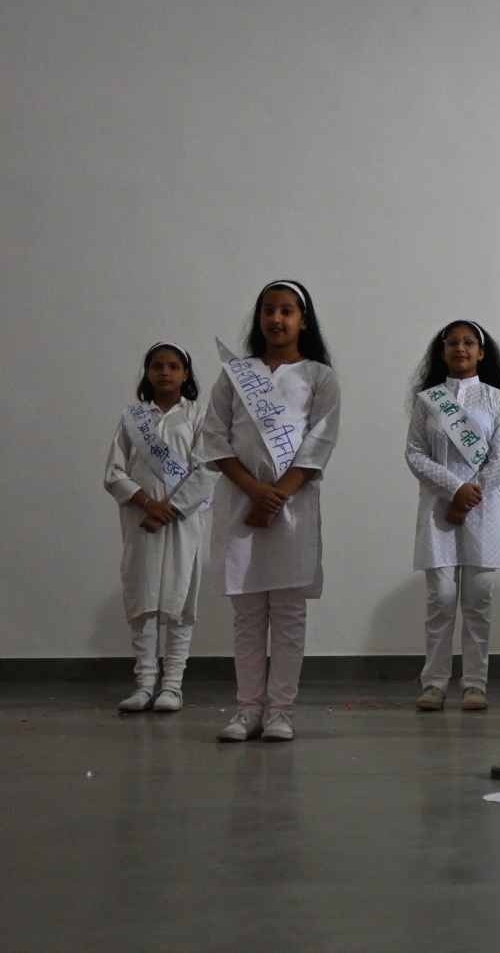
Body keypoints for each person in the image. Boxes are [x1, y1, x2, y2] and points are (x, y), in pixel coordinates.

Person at [203, 279, 340, 743]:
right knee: (246, 615)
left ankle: (281, 711)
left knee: (288, 613)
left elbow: (320, 441)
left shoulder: (319, 376)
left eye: (286, 311)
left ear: (303, 321)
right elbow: (214, 437)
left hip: (293, 508)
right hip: (240, 502)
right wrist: (254, 491)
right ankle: (247, 710)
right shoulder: (235, 375)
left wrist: (276, 496)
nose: (276, 319)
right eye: (268, 310)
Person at [406, 320, 500, 713]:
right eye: (452, 342)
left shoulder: (497, 400)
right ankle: (434, 683)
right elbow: (415, 453)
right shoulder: (428, 401)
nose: (460, 348)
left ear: (481, 352)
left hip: (484, 511)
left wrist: (469, 496)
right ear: (442, 352)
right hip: (438, 511)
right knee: (440, 600)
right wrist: (454, 490)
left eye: (468, 342)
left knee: (477, 602)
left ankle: (474, 684)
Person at [103, 342, 216, 714]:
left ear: (186, 374)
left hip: (184, 523)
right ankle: (144, 684)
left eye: (173, 366)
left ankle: (172, 686)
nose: (165, 372)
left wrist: (169, 510)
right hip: (141, 521)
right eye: (156, 366)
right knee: (143, 598)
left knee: (179, 600)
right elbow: (114, 473)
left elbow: (207, 470)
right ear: (148, 373)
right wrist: (149, 505)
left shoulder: (199, 416)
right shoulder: (132, 418)